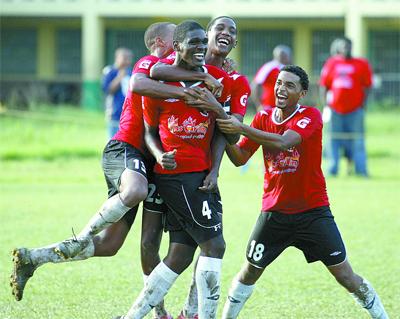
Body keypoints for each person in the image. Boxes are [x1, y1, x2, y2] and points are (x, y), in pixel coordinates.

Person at [10, 22, 212, 319]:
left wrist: (213, 66)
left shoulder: (181, 72)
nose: (181, 42)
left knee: (113, 244)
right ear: (159, 41)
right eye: (175, 37)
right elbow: (140, 84)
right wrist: (196, 78)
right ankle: (82, 236)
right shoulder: (150, 63)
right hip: (126, 149)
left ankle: (34, 257)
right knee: (134, 192)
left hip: (154, 164)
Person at [216, 65, 388, 319]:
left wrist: (240, 128)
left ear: (302, 93)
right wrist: (224, 131)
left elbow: (285, 141)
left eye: (289, 85)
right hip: (274, 213)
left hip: (313, 212)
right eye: (279, 82)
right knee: (250, 270)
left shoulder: (310, 115)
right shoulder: (263, 117)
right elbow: (240, 157)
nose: (281, 89)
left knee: (344, 274)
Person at [114, 20, 233, 319]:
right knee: (212, 245)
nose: (200, 48)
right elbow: (149, 128)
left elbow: (228, 134)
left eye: (201, 45)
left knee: (180, 254)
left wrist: (215, 168)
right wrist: (158, 153)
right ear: (177, 46)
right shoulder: (160, 75)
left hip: (202, 175)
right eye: (194, 42)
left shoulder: (224, 80)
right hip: (173, 176)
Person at [320, 37, 373, 177]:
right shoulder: (331, 63)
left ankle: (361, 171)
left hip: (355, 110)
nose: (346, 49)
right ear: (339, 48)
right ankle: (332, 170)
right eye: (344, 46)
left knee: (357, 140)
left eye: (349, 46)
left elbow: (367, 86)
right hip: (335, 110)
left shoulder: (361, 64)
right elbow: (324, 86)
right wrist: (325, 106)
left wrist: (363, 104)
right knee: (333, 139)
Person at [102, 48, 133, 138]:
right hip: (114, 114)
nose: (128, 61)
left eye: (129, 58)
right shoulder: (110, 71)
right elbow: (108, 90)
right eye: (125, 58)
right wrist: (119, 78)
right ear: (117, 58)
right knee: (113, 142)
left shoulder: (131, 72)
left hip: (129, 114)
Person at [251, 44, 291, 112]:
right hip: (269, 106)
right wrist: (258, 104)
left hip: (284, 107)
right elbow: (255, 85)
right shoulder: (269, 67)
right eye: (287, 55)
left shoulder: (288, 69)